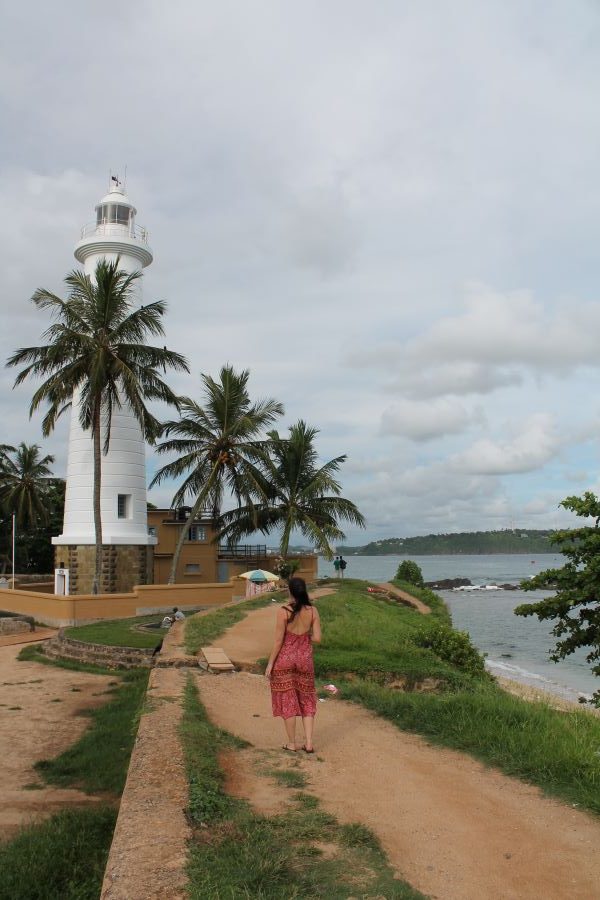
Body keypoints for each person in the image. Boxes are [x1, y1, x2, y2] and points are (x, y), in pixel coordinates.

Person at [265, 576, 321, 753]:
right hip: (305, 660)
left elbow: (277, 641)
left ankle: (292, 743)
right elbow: (318, 638)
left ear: (290, 591)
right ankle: (309, 743)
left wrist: (270, 664)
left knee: (288, 701)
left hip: (285, 660)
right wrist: (305, 638)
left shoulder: (283, 611)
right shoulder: (313, 611)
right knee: (307, 699)